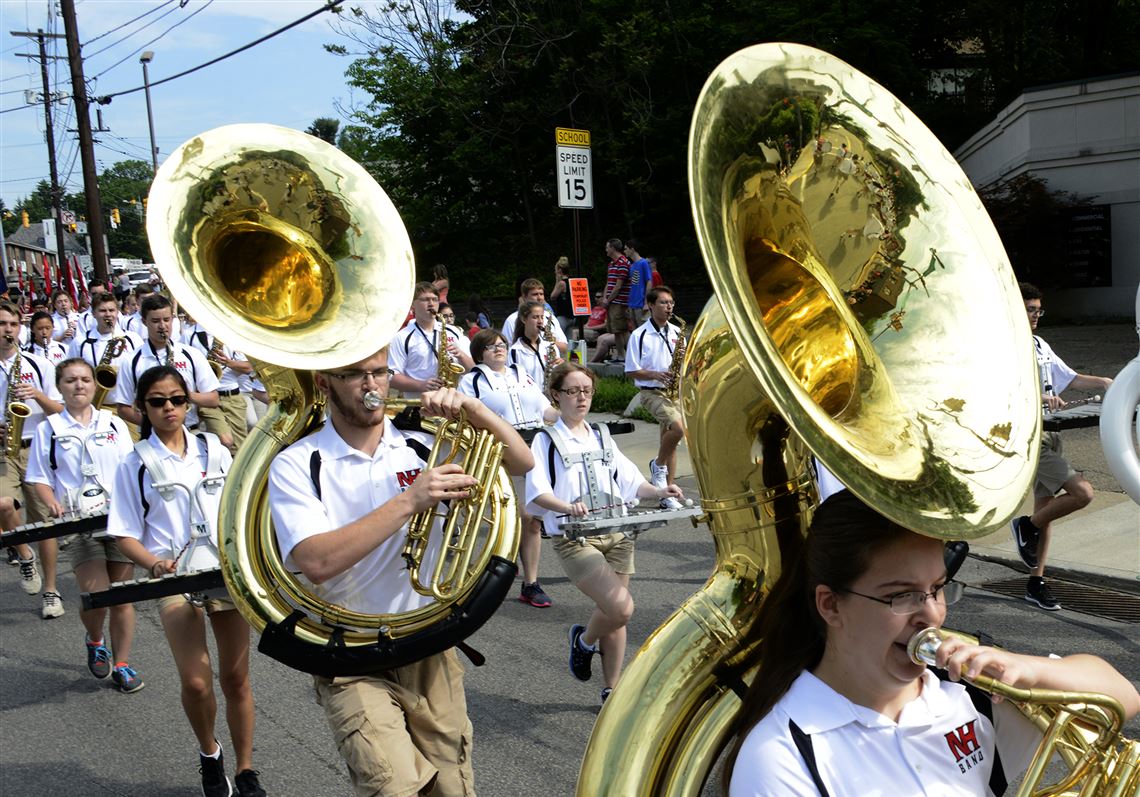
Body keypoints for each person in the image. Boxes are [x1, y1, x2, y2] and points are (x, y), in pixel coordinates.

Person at [725, 489, 1139, 795]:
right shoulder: (782, 755)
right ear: (831, 605)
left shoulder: (965, 695)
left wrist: (1025, 668)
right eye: (901, 595)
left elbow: (1122, 697)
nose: (932, 615)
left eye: (937, 588)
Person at [267, 346, 533, 797]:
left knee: (453, 788)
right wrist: (410, 500)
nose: (372, 385)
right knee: (393, 788)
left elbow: (521, 462)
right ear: (324, 383)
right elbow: (316, 561)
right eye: (355, 375)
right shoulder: (297, 462)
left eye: (379, 373)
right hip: (351, 653)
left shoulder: (421, 443)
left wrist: (472, 408)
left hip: (429, 642)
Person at [107, 365, 266, 797]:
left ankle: (248, 770)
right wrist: (154, 563)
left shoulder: (213, 448)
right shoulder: (135, 463)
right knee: (196, 681)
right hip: (174, 579)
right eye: (157, 402)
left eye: (178, 399)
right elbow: (123, 532)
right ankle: (210, 754)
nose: (170, 408)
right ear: (142, 408)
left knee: (236, 679)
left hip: (222, 572)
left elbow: (240, 506)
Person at [525, 363, 684, 704]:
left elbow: (630, 482)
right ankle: (583, 641)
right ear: (556, 395)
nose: (581, 397)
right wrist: (567, 507)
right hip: (576, 537)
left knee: (615, 614)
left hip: (618, 531)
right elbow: (537, 492)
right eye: (572, 391)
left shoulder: (601, 435)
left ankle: (611, 691)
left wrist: (660, 492)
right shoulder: (545, 440)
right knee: (620, 608)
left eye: (587, 390)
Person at [25, 358, 140, 679]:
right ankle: (95, 639)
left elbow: (131, 468)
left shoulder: (113, 422)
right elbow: (39, 477)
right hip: (78, 524)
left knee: (122, 596)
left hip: (118, 519)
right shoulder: (49, 429)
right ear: (60, 387)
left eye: (86, 380)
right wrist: (52, 504)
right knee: (97, 596)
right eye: (71, 380)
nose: (79, 386)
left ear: (95, 384)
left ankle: (122, 664)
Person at [1010, 283, 1114, 611]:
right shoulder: (1004, 346)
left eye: (1039, 310)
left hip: (1052, 433)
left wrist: (1109, 383)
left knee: (1047, 508)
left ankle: (1035, 582)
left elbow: (1070, 379)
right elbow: (1004, 389)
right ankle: (1025, 527)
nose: (1036, 315)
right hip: (1028, 434)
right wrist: (1041, 397)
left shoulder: (1040, 344)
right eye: (1030, 309)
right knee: (1082, 493)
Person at [459, 329, 559, 608]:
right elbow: (466, 418)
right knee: (518, 515)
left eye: (502, 344)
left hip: (534, 443)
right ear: (480, 352)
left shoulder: (522, 374)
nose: (499, 349)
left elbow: (545, 410)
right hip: (500, 449)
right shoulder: (471, 381)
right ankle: (504, 566)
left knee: (533, 517)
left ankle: (530, 583)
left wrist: (567, 412)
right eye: (491, 346)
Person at [1, 300, 64, 613]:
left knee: (45, 523)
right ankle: (25, 554)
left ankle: (51, 591)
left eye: (12, 325)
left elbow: (62, 410)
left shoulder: (39, 365)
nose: (8, 330)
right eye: (2, 325)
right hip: (3, 449)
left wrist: (38, 395)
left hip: (35, 446)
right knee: (2, 504)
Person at [109, 294, 223, 445]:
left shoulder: (191, 354)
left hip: (189, 431)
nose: (162, 326)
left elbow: (213, 399)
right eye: (155, 321)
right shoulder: (131, 360)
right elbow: (123, 407)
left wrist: (185, 395)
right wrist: (154, 423)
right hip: (152, 436)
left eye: (166, 320)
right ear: (144, 322)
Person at [625, 286, 686, 510]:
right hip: (651, 392)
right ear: (651, 305)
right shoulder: (639, 335)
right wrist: (655, 374)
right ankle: (657, 465)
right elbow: (631, 370)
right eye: (663, 302)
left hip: (673, 393)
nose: (669, 307)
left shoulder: (677, 332)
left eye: (671, 303)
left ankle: (666, 493)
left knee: (670, 444)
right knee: (678, 429)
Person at [180, 313, 254, 452]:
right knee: (226, 440)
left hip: (232, 396)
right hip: (207, 398)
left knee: (239, 449)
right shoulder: (189, 334)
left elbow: (248, 367)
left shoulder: (231, 333)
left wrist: (228, 362)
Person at [389, 282, 474, 398]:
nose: (431, 304)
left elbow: (473, 369)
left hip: (452, 402)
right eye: (425, 300)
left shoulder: (453, 331)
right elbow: (391, 377)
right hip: (420, 406)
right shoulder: (401, 337)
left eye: (435, 299)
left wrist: (461, 355)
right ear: (412, 304)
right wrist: (421, 385)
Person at [501, 278, 569, 353]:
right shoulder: (512, 320)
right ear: (524, 297)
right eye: (535, 294)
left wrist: (547, 343)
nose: (539, 298)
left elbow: (565, 348)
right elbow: (505, 349)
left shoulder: (550, 317)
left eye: (541, 294)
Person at [509, 300, 562, 386]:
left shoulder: (550, 346)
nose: (540, 321)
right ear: (523, 319)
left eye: (542, 317)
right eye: (535, 317)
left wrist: (561, 367)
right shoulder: (515, 351)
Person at [601, 238, 632, 359]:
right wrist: (604, 298)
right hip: (611, 302)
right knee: (616, 330)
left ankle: (630, 355)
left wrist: (608, 300)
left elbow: (619, 286)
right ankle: (620, 356)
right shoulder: (612, 264)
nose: (606, 250)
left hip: (619, 302)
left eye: (607, 247)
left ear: (613, 248)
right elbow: (609, 283)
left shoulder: (623, 263)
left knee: (622, 329)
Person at [623, 239, 653, 327]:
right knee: (636, 332)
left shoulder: (644, 263)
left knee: (644, 330)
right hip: (632, 304)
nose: (624, 251)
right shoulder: (632, 266)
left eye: (626, 249)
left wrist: (646, 302)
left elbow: (649, 282)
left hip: (641, 304)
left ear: (632, 249)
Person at [550, 256, 575, 337]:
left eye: (555, 270)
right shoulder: (571, 281)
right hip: (571, 316)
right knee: (568, 341)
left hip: (563, 316)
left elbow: (552, 296)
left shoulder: (561, 283)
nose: (555, 272)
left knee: (558, 338)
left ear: (560, 270)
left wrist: (557, 280)